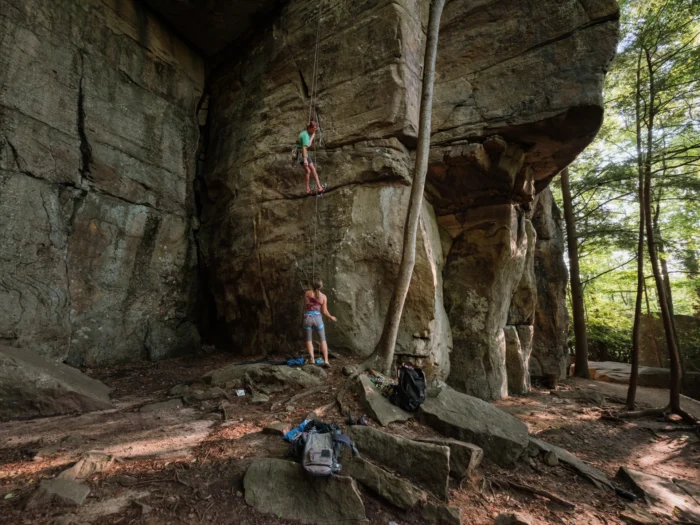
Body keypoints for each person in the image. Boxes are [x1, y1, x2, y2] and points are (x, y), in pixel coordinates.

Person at [302, 278, 336, 366]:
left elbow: (306, 305)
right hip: (318, 319)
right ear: (321, 286)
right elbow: (324, 311)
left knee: (309, 340)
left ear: (312, 285)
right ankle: (326, 361)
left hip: (307, 318)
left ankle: (312, 359)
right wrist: (330, 317)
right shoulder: (323, 297)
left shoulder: (307, 293)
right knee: (323, 340)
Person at [297, 121, 326, 195]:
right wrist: (305, 159)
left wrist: (312, 135)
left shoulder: (304, 133)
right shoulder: (305, 135)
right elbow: (304, 147)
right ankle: (319, 188)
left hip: (299, 153)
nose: (314, 131)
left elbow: (308, 145)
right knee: (312, 169)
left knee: (308, 171)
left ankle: (307, 189)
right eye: (313, 129)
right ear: (309, 128)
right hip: (302, 154)